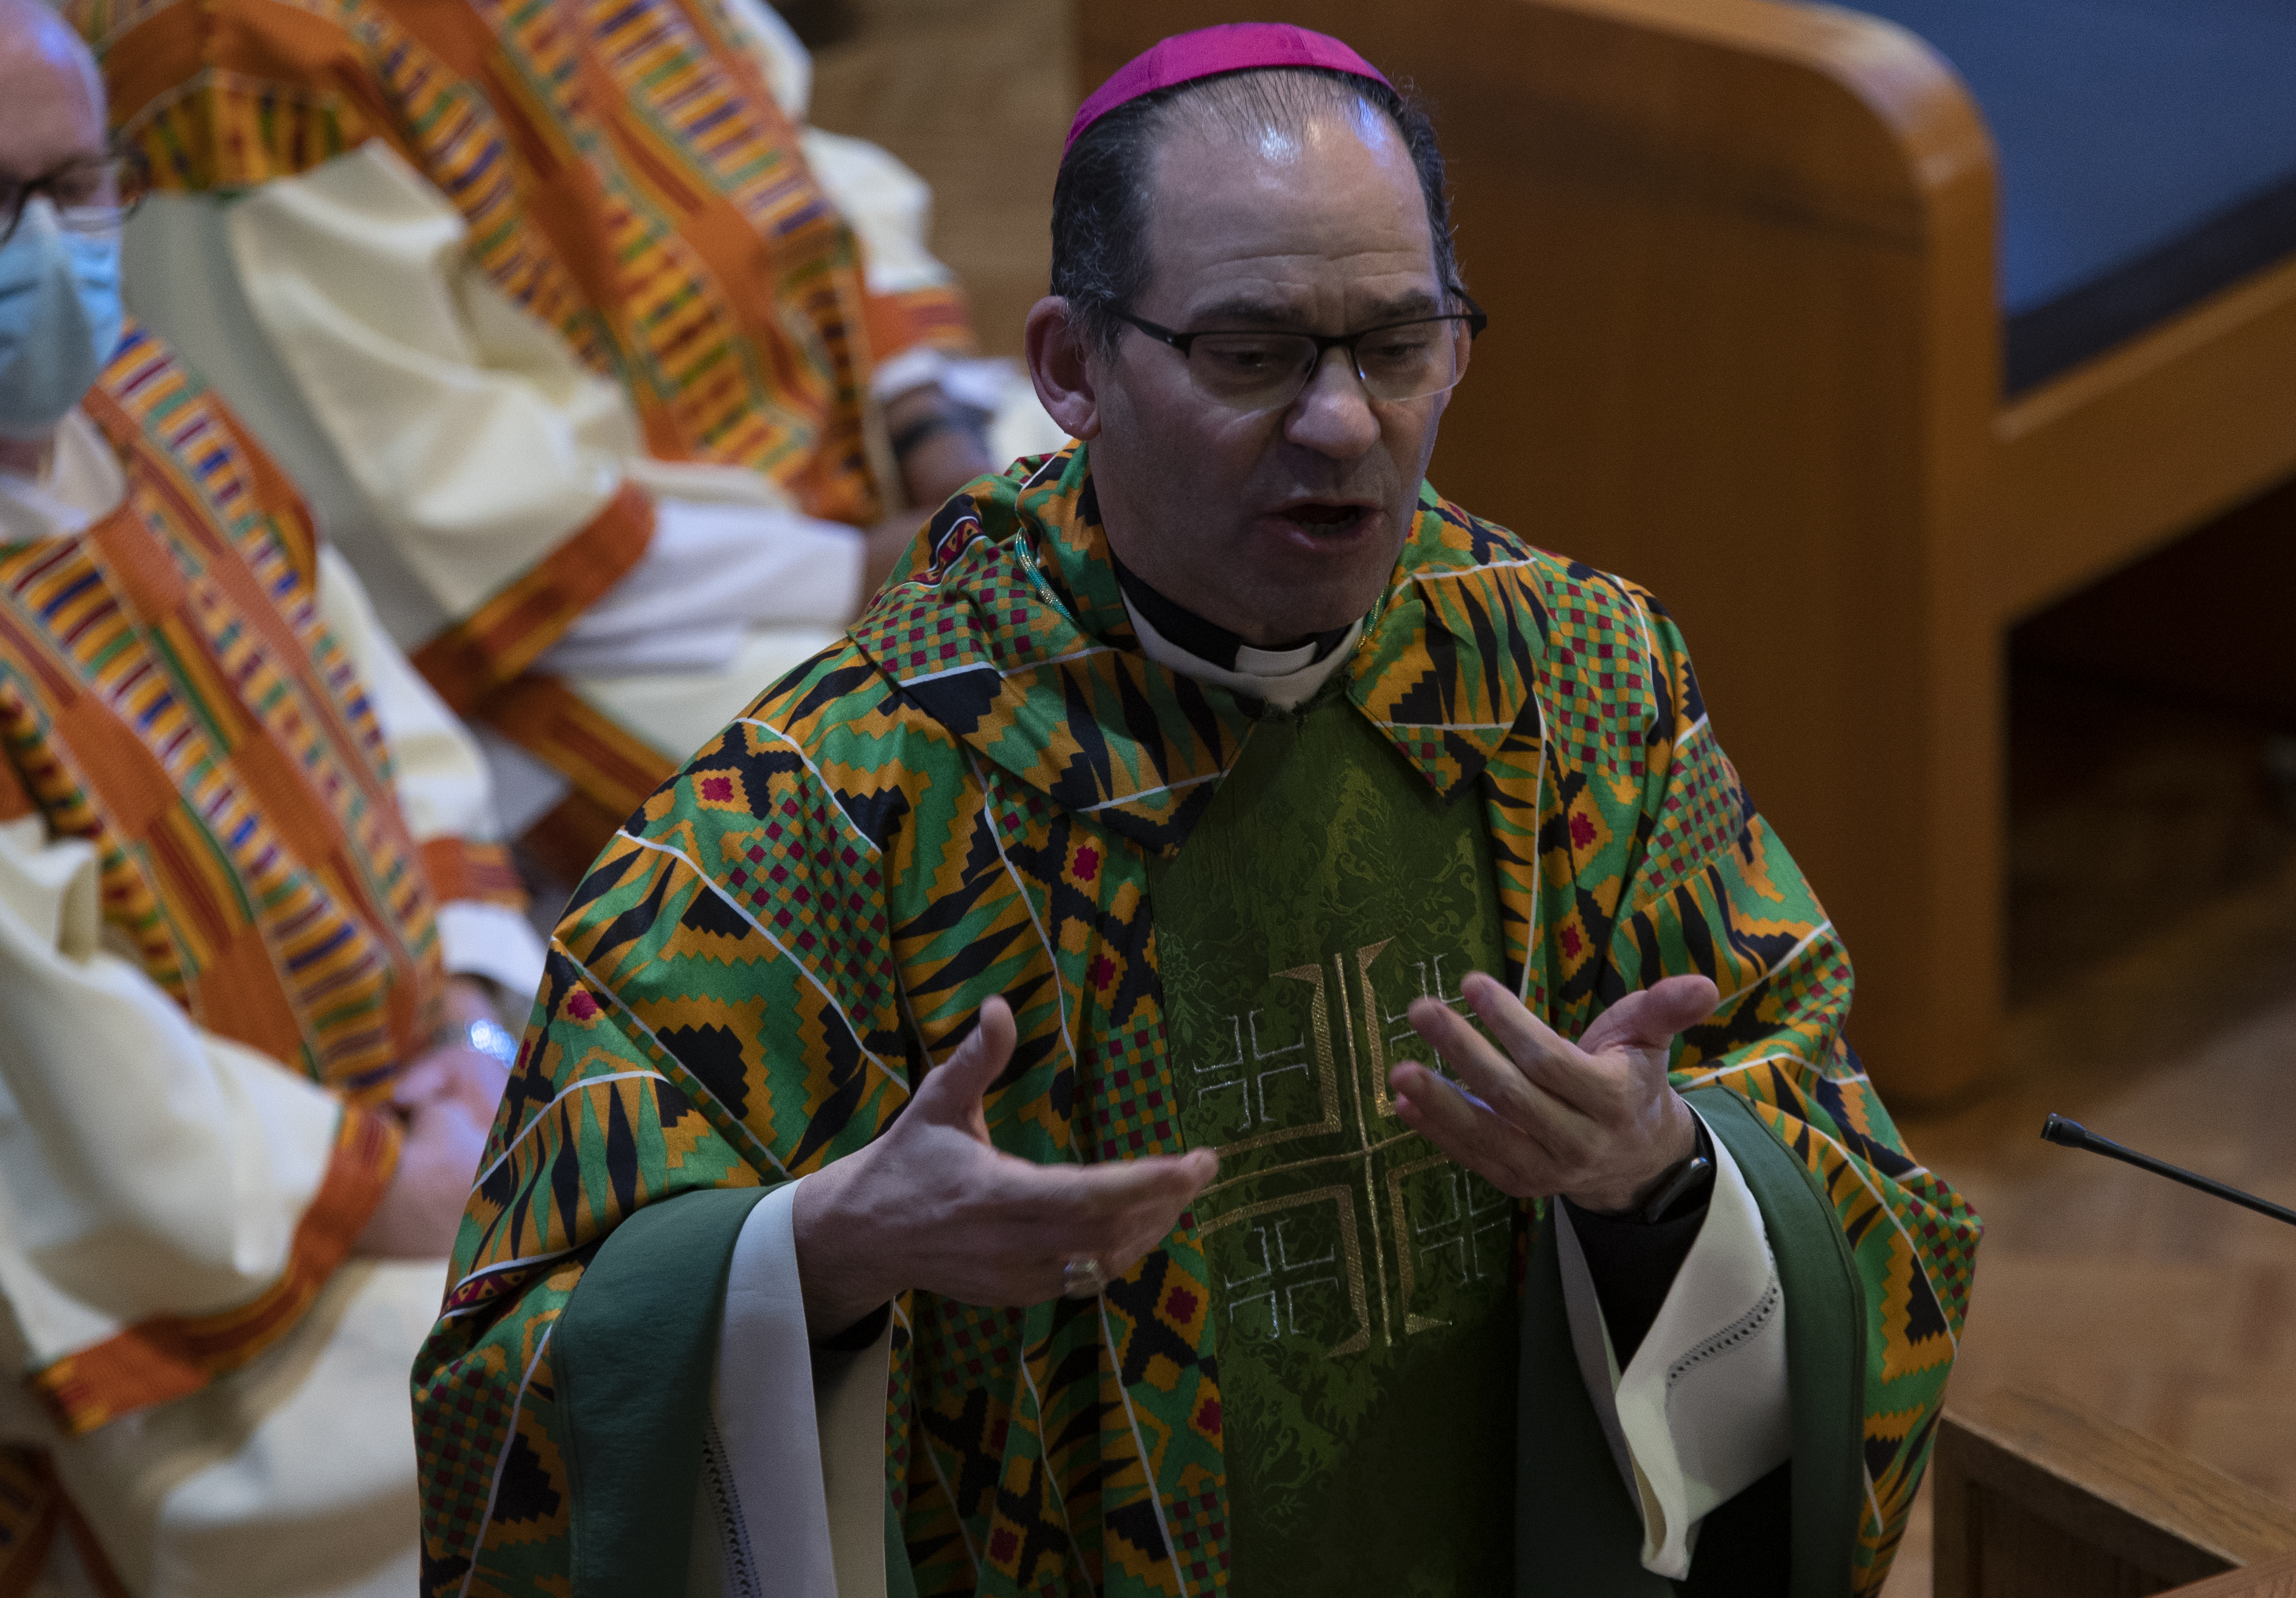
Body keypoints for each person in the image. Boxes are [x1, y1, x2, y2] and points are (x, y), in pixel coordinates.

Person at [415, 23, 1981, 1597]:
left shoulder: (1581, 688)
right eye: (1253, 355)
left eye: (1397, 345)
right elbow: (525, 1362)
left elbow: (1861, 1187)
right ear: (1070, 370)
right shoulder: (831, 812)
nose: (1341, 424)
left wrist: (1664, 1179)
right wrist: (819, 1257)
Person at [71, 0, 1065, 879]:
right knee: (1010, 817)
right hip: (585, 630)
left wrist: (929, 428)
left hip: (860, 465)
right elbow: (413, 508)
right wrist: (857, 570)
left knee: (1155, 545)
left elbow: (796, 162)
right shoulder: (232, 48)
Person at [0, 4, 549, 1592]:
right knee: (618, 1373)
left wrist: (465, 1013)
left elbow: (390, 734)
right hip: (183, 1292)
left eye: (76, 185)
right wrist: (397, 1181)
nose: (46, 249)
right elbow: (66, 1081)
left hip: (417, 1112)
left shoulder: (159, 416)